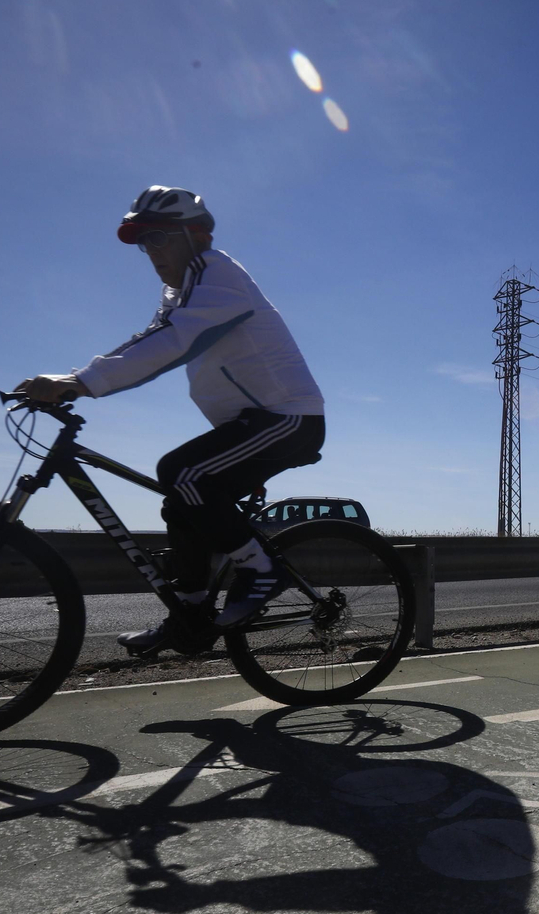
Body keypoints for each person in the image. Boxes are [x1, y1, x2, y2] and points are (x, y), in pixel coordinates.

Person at [17, 186, 326, 654]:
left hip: (288, 416)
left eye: (158, 237)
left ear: (194, 234)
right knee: (180, 500)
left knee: (182, 472)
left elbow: (176, 343)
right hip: (250, 423)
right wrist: (76, 378)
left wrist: (80, 383)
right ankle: (190, 615)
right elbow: (149, 338)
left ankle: (262, 570)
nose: (150, 251)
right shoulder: (182, 291)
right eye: (143, 243)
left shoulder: (216, 274)